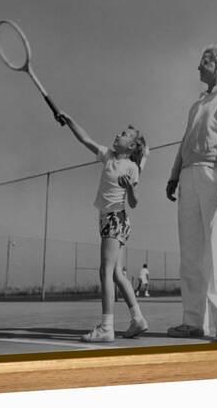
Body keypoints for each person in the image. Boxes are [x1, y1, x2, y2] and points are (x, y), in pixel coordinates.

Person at [166, 45, 217, 342]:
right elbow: (184, 143)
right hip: (188, 178)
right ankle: (192, 321)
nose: (198, 68)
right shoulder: (197, 105)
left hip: (216, 176)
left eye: (204, 62)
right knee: (191, 254)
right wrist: (174, 175)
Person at [58, 112, 149, 342]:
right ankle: (137, 319)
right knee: (118, 273)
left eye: (124, 134)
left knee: (105, 272)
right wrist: (70, 120)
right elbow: (85, 139)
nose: (117, 134)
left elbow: (135, 202)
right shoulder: (108, 156)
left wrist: (129, 189)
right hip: (113, 220)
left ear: (130, 146)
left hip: (115, 219)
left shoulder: (131, 168)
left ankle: (106, 327)